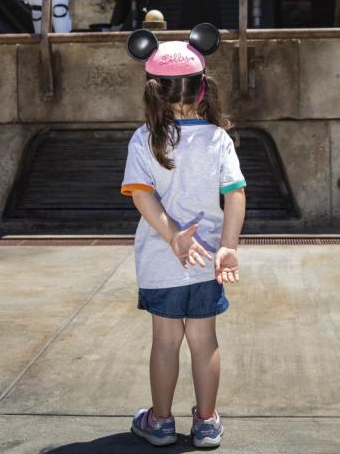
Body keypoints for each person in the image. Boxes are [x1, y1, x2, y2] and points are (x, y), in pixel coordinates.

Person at [121, 23, 246, 448]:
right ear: (202, 90)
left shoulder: (145, 139)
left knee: (164, 342)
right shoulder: (218, 139)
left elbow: (142, 197)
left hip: (162, 261)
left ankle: (160, 422)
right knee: (204, 340)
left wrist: (173, 236)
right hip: (208, 260)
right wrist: (227, 246)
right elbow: (236, 195)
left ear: (153, 92)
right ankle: (207, 421)